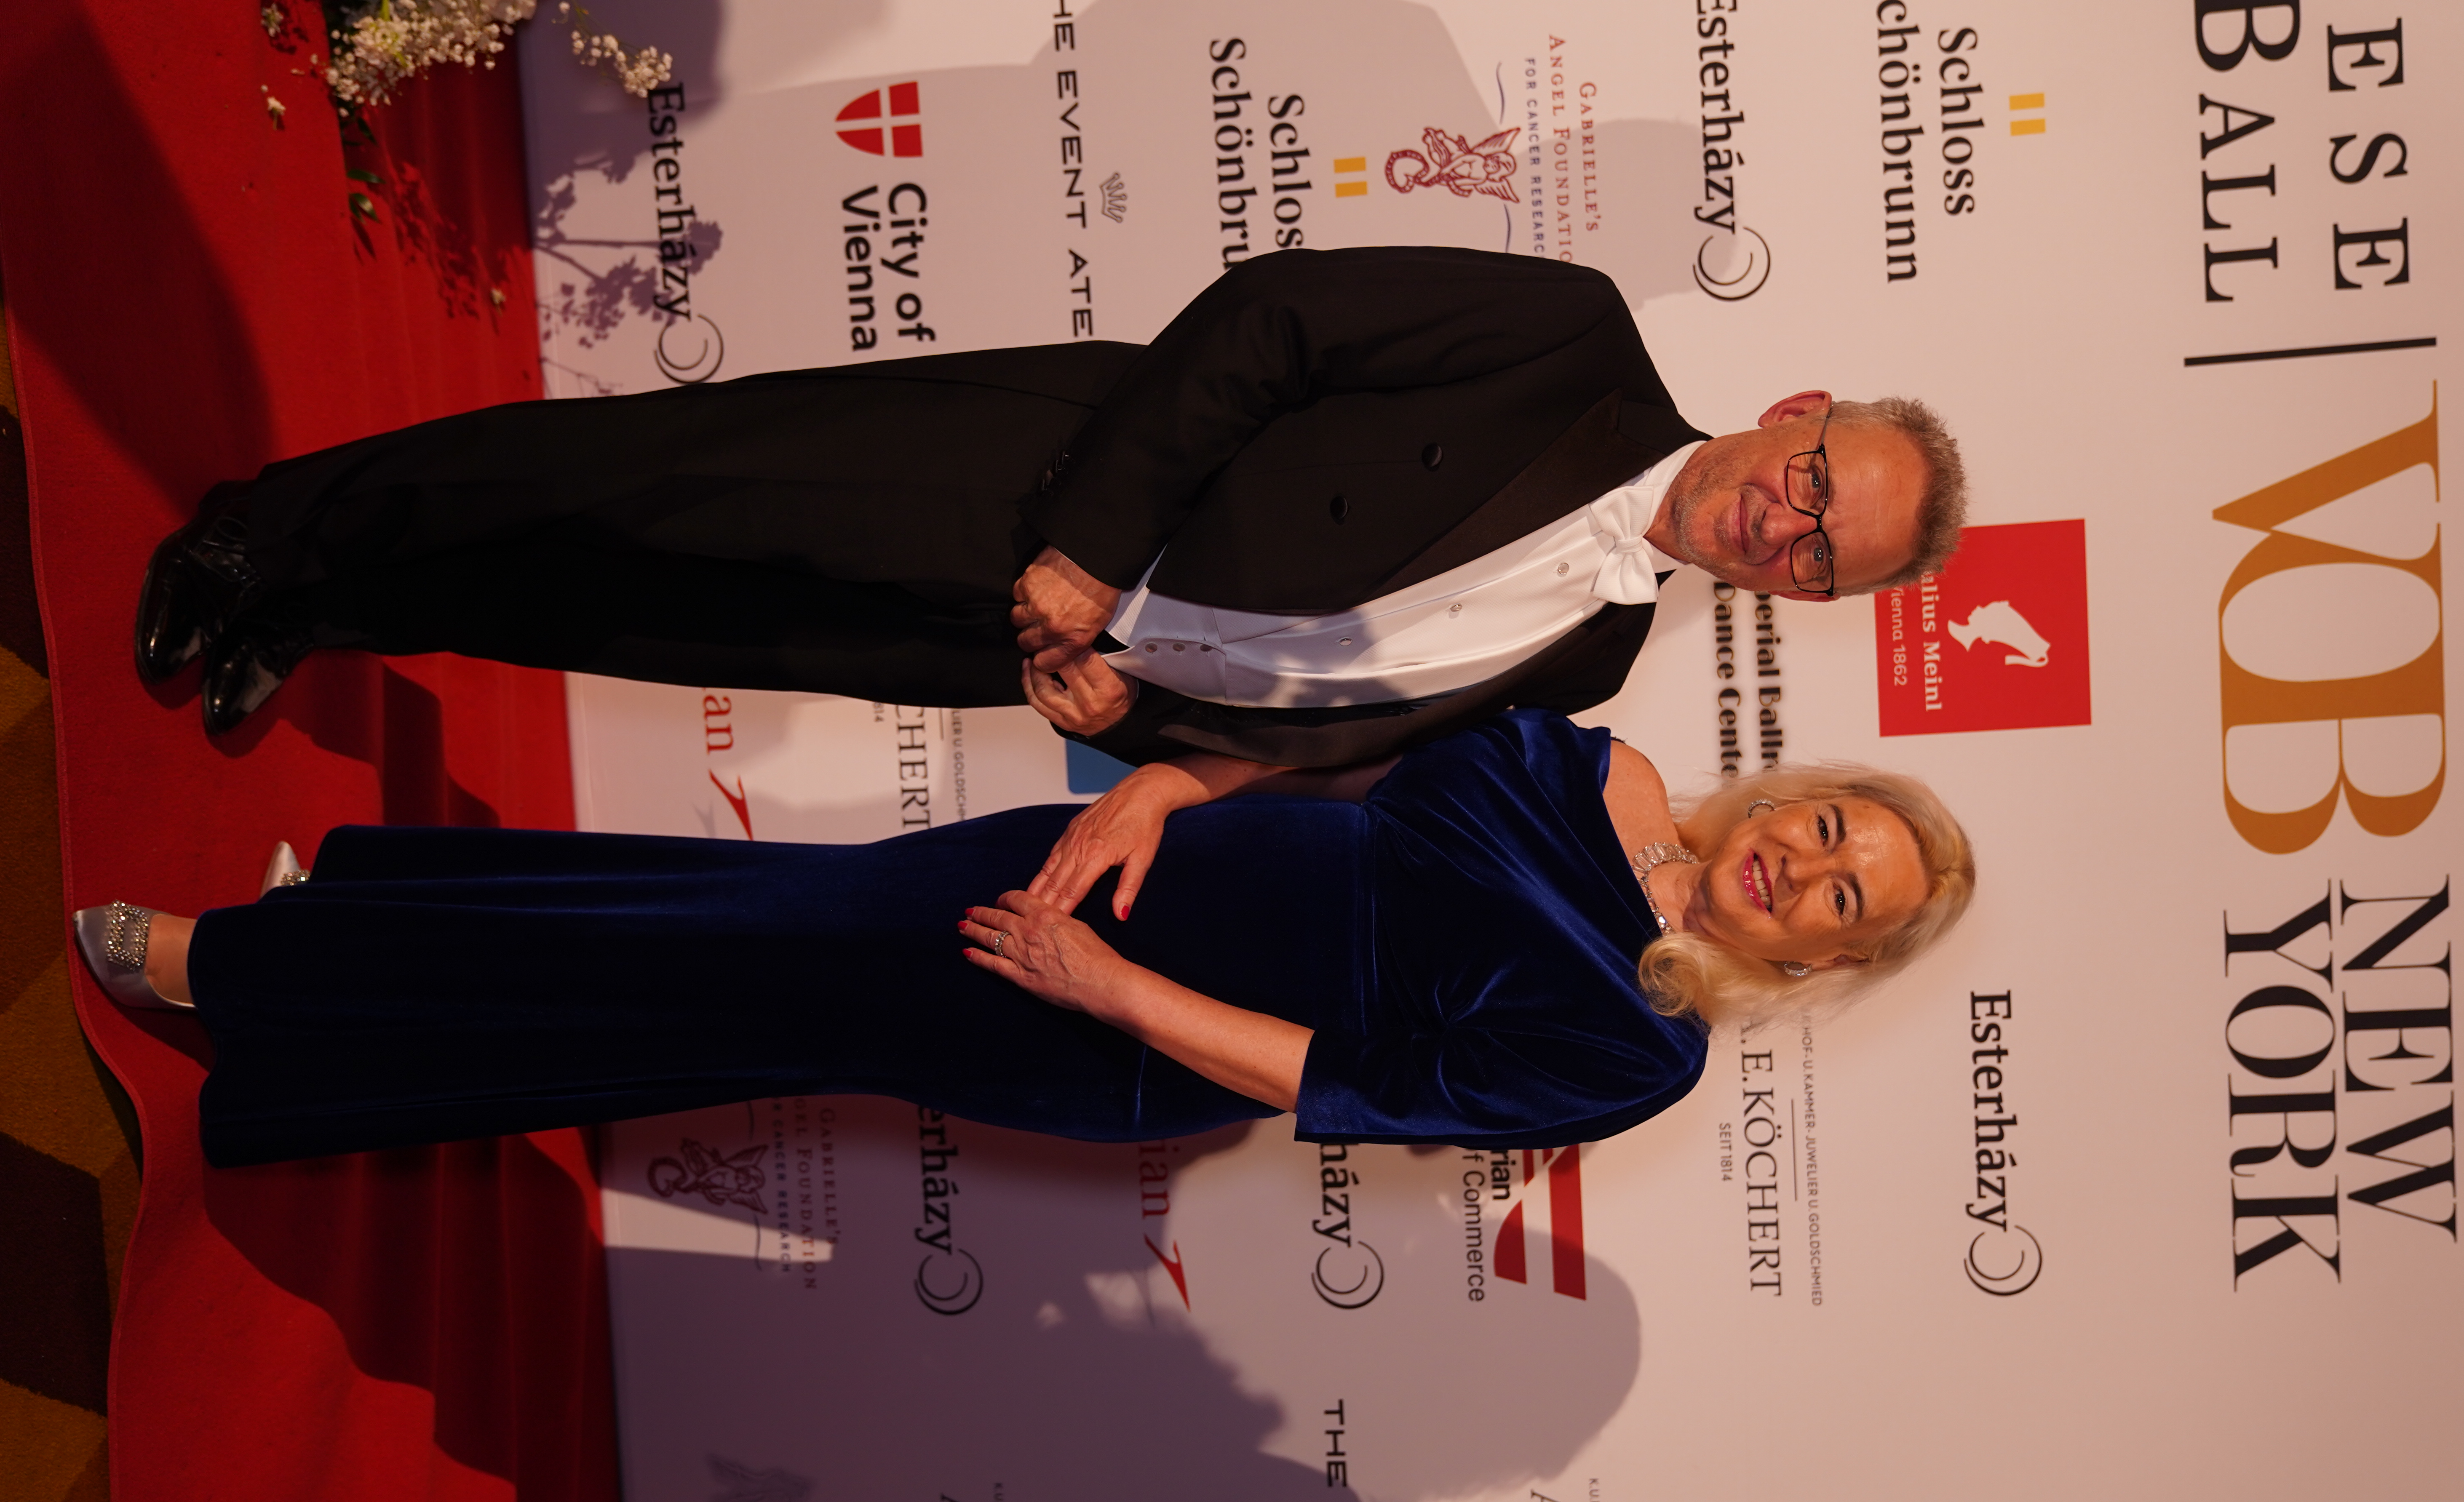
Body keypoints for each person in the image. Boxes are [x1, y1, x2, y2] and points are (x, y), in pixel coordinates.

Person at [136, 247, 1967, 765]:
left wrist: (1137, 712)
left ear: (1803, 602)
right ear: (1793, 414)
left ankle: (328, 610)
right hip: (1028, 482)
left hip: (1017, 654)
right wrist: (1093, 544)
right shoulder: (1572, 342)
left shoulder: (1590, 670)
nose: (1787, 528)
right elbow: (1275, 317)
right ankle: (261, 531)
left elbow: (1327, 732)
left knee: (657, 613)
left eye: (1824, 556)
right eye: (1817, 483)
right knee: (642, 482)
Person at [73, 711, 1973, 1166]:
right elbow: (1343, 748)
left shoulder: (1644, 1050)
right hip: (1100, 860)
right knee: (726, 924)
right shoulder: (1616, 758)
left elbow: (1364, 1087)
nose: (1802, 870)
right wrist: (1160, 784)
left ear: (1821, 963)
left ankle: (242, 973)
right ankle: (348, 969)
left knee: (728, 982)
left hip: (1105, 1006)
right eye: (1828, 828)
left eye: (1840, 901)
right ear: (1794, 791)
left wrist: (1112, 984)